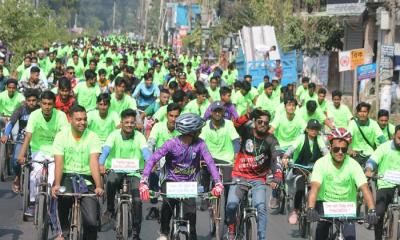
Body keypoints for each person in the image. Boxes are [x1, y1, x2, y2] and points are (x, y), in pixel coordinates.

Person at [139, 113, 223, 240]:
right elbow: (152, 159)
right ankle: (164, 233)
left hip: (190, 184)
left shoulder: (200, 144)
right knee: (167, 206)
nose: (201, 131)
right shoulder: (171, 143)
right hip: (170, 181)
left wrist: (218, 182)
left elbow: (210, 162)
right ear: (192, 131)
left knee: (192, 217)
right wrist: (143, 182)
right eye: (199, 129)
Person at [307, 128, 377, 240]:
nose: (340, 152)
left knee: (350, 237)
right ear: (330, 148)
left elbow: (365, 189)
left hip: (347, 206)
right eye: (336, 149)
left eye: (343, 149)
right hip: (325, 203)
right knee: (321, 233)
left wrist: (372, 210)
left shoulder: (353, 164)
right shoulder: (321, 163)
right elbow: (315, 188)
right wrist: (311, 208)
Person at [226, 109, 282, 240]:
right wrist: (248, 115)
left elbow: (276, 158)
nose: (263, 124)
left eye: (266, 123)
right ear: (255, 122)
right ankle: (232, 226)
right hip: (239, 176)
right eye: (260, 121)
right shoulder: (247, 132)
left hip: (258, 179)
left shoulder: (272, 140)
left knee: (261, 207)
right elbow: (236, 124)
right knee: (232, 205)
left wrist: (277, 176)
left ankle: (261, 237)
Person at [51, 105, 103, 240]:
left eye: (85, 119)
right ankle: (63, 232)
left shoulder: (93, 136)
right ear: (70, 119)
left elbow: (93, 162)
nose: (82, 122)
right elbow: (59, 162)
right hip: (67, 175)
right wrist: (56, 184)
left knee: (91, 222)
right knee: (63, 197)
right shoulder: (61, 136)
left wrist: (98, 186)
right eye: (78, 119)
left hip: (86, 178)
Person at [99, 109, 150, 239]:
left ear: (135, 124)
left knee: (137, 201)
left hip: (135, 173)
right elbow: (106, 150)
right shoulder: (114, 135)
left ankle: (136, 232)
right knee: (110, 181)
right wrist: (101, 164)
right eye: (126, 122)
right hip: (116, 170)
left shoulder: (139, 136)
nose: (129, 125)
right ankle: (110, 209)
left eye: (132, 123)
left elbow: (145, 152)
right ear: (121, 123)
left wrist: (149, 164)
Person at [18, 91, 68, 216]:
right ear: (40, 103)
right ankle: (33, 203)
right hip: (37, 150)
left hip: (55, 151)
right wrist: (21, 154)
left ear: (54, 104)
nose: (47, 107)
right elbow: (28, 136)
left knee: (53, 179)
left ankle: (51, 204)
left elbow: (65, 137)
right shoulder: (34, 115)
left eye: (50, 104)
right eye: (44, 103)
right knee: (34, 175)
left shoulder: (61, 116)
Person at [282, 119, 329, 225]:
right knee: (300, 189)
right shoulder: (301, 138)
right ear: (307, 129)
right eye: (312, 129)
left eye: (316, 129)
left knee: (319, 187)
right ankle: (296, 210)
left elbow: (325, 151)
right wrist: (285, 157)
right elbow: (292, 148)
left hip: (315, 168)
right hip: (300, 167)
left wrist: (330, 160)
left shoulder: (319, 139)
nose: (314, 131)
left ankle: (318, 208)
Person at [365, 125, 400, 240]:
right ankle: (378, 237)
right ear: (394, 136)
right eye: (399, 138)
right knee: (379, 214)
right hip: (385, 184)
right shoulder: (384, 148)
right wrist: (369, 169)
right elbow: (372, 161)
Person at [1, 89, 40, 193]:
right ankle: (18, 177)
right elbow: (11, 122)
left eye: (34, 100)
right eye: (29, 100)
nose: (31, 102)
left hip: (36, 140)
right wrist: (6, 134)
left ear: (37, 101)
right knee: (15, 161)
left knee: (37, 163)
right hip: (22, 139)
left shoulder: (40, 110)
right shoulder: (20, 110)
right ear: (26, 101)